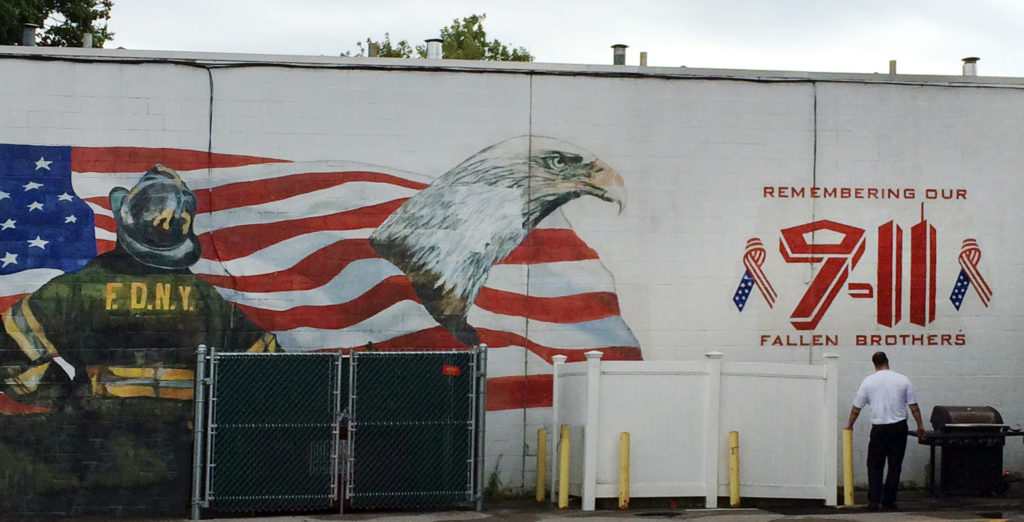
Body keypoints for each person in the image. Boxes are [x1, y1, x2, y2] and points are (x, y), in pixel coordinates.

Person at [845, 351, 926, 511]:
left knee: (875, 464)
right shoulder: (903, 379)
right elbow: (914, 407)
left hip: (879, 428)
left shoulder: (868, 382)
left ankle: (874, 501)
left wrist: (850, 424)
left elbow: (857, 408)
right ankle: (889, 501)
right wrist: (920, 426)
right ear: (887, 361)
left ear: (874, 364)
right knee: (895, 465)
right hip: (899, 427)